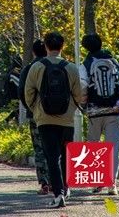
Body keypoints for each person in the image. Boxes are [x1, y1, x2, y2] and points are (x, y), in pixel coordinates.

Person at [24, 31, 85, 210]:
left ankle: (58, 194)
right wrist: (70, 111)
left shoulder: (37, 67)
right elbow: (79, 95)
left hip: (44, 119)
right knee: (66, 155)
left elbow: (28, 92)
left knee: (52, 157)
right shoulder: (71, 68)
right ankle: (66, 188)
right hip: (67, 120)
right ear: (62, 46)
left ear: (45, 46)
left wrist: (36, 109)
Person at [79, 33, 119, 196]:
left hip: (94, 111)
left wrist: (84, 105)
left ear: (85, 48)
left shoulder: (85, 64)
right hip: (115, 110)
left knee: (94, 146)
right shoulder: (114, 62)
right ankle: (111, 184)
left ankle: (96, 182)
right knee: (113, 147)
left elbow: (82, 87)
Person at [19, 39, 51, 196]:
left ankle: (44, 183)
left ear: (33, 52)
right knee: (53, 149)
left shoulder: (29, 69)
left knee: (39, 149)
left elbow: (22, 93)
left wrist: (31, 109)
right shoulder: (57, 66)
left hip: (35, 116)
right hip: (57, 116)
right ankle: (56, 182)